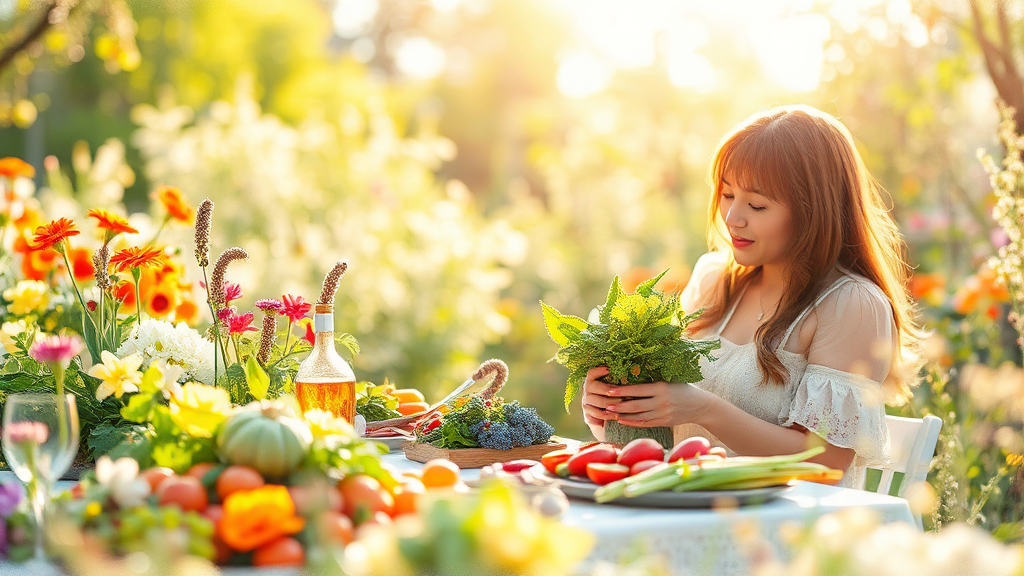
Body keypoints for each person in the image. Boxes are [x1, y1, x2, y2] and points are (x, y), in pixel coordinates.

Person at [580, 105, 923, 488]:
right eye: (727, 194)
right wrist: (614, 410)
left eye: (757, 205)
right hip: (691, 509)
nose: (732, 218)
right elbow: (666, 441)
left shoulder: (852, 305)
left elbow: (824, 464)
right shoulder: (713, 279)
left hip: (792, 531)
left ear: (816, 211)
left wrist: (705, 409)